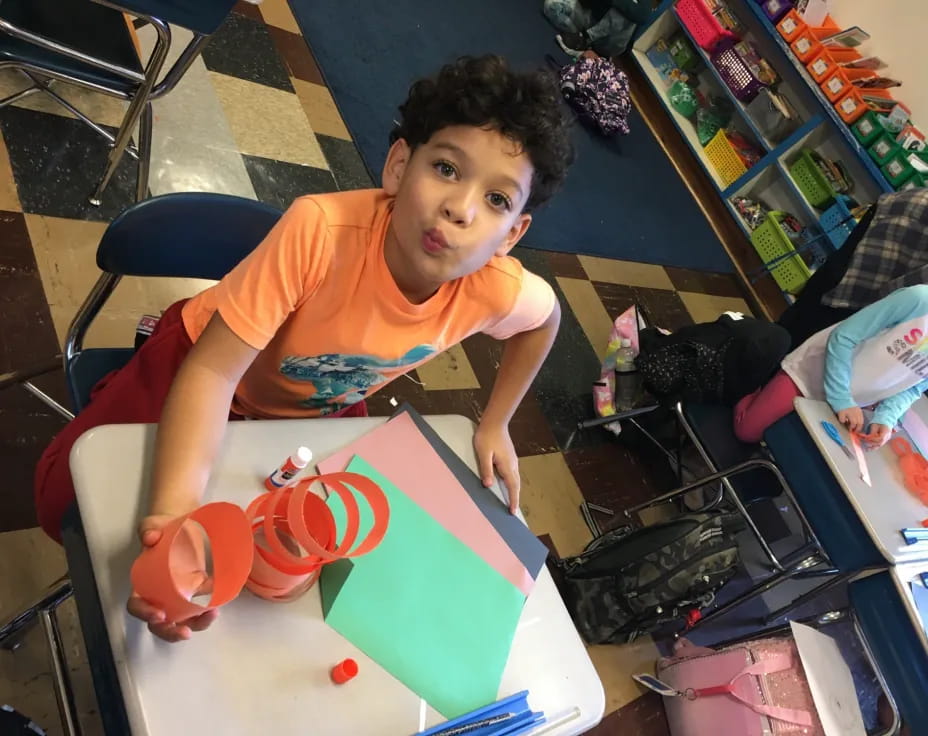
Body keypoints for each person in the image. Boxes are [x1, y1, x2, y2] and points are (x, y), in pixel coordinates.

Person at [34, 55, 574, 640]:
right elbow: (211, 373)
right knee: (73, 502)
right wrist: (173, 516)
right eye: (446, 167)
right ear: (398, 165)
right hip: (205, 362)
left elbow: (543, 323)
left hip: (317, 404)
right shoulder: (317, 230)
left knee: (309, 564)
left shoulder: (496, 288)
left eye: (497, 200)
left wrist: (497, 423)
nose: (461, 208)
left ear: (513, 234)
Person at [734, 285, 928, 445]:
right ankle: (753, 387)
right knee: (748, 432)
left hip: (852, 403)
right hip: (811, 376)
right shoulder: (919, 299)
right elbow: (843, 337)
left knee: (788, 445)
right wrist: (842, 399)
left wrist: (886, 417)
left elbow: (912, 389)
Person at [777, 189, 928, 349]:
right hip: (889, 243)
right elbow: (905, 296)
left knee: (807, 318)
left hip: (900, 223)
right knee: (807, 330)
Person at [543, 0, 652, 58]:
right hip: (590, 17)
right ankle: (580, 42)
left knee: (629, 9)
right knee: (551, 5)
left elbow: (642, 15)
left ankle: (585, 39)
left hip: (609, 39)